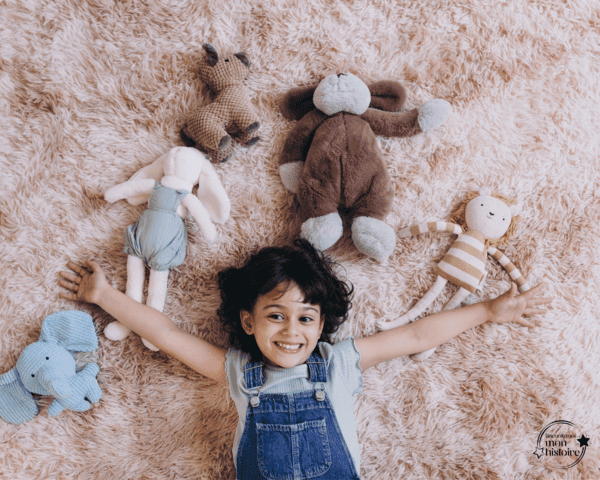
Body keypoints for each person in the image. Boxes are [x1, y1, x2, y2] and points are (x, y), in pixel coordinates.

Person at [58, 239, 551, 479]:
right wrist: (105, 295)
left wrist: (487, 309)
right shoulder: (238, 371)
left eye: (306, 318)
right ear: (249, 322)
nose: (292, 332)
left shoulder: (339, 363)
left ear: (321, 324)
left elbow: (417, 333)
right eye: (276, 316)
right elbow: (165, 333)